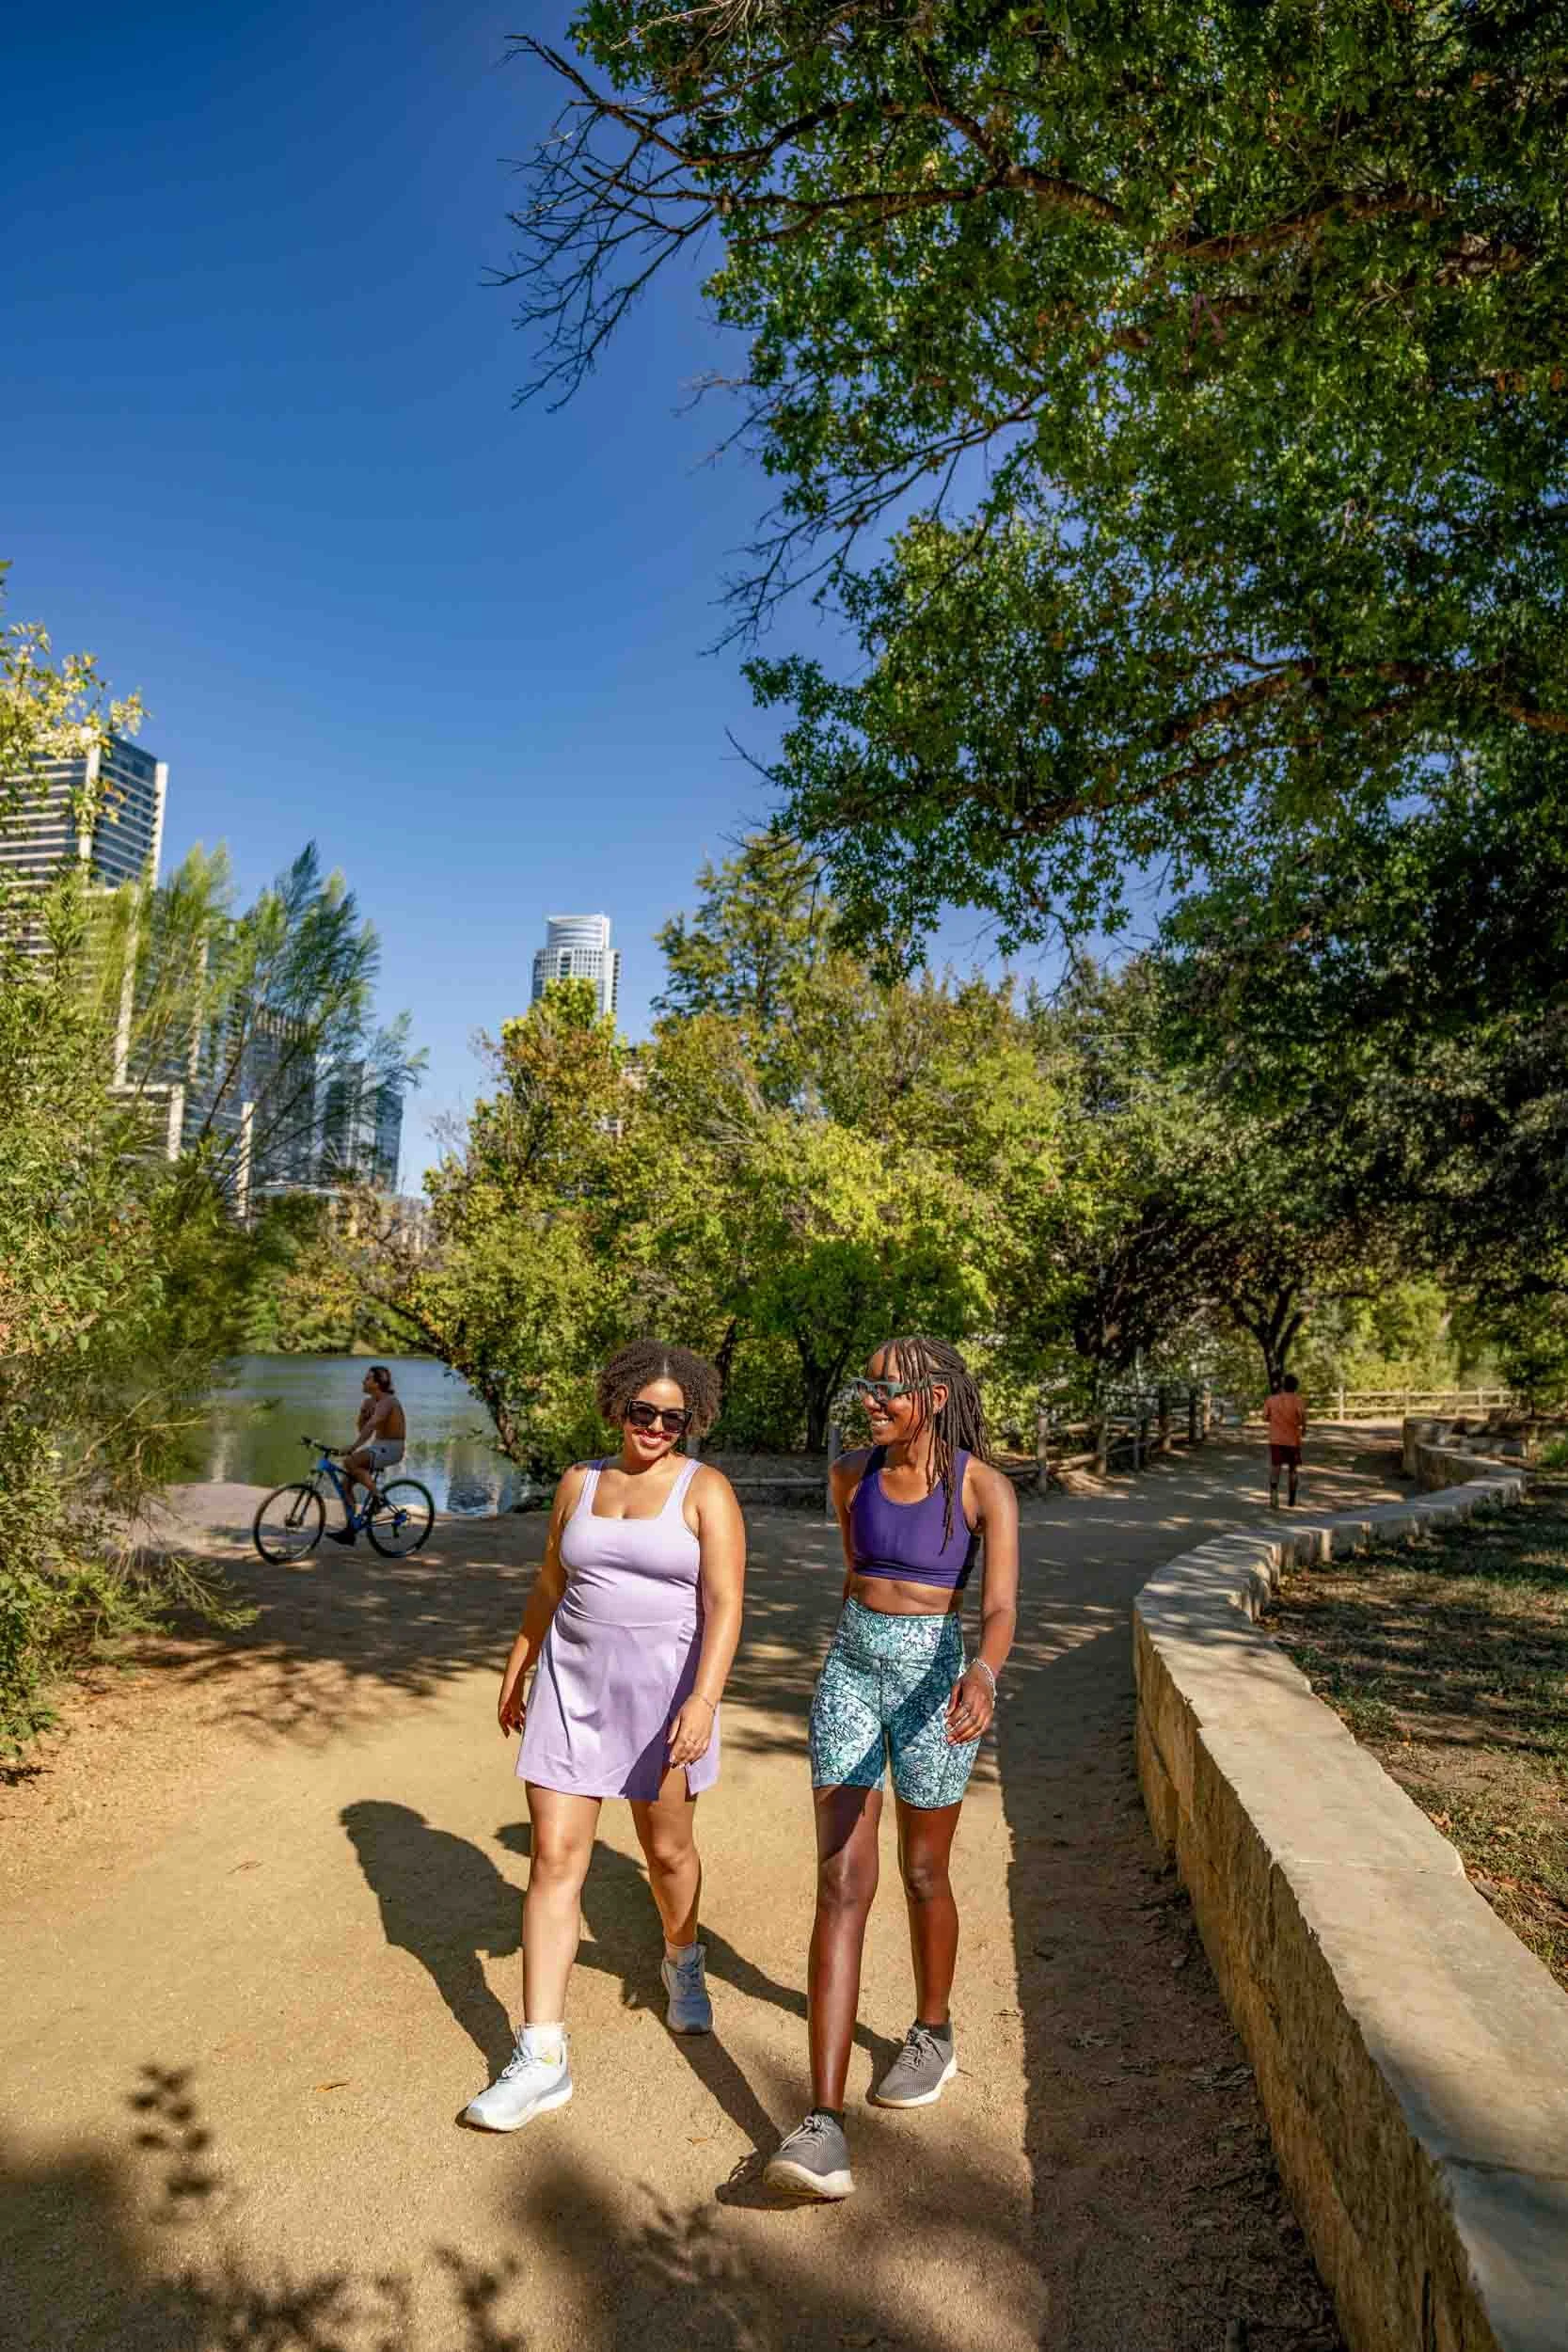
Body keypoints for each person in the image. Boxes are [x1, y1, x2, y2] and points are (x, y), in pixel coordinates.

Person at [463, 1342, 746, 2134]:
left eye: (672, 1417)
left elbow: (725, 1602)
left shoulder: (705, 1491)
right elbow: (552, 1580)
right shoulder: (579, 1483)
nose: (655, 1426)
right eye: (641, 1410)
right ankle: (541, 2056)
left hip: (662, 1699)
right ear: (617, 1404)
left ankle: (682, 1955)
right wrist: (518, 1664)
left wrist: (704, 1700)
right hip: (569, 1686)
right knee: (554, 1858)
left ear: (691, 1421)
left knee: (667, 1854)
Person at [764, 1334, 1020, 2202]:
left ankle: (932, 2032)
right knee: (840, 1882)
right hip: (851, 1669)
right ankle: (822, 2121)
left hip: (936, 1677)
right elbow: (853, 1577)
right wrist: (855, 1655)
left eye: (889, 1390)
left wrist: (981, 1672)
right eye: (865, 1387)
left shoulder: (983, 1487)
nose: (871, 1402)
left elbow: (1000, 1607)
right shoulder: (849, 1474)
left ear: (936, 1396)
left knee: (920, 1870)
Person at [324, 1364, 406, 1546]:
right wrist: (363, 1415)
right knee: (345, 1486)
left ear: (377, 1383)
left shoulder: (388, 1401)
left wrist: (353, 1447)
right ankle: (350, 1531)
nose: (363, 1381)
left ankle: (379, 1498)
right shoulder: (369, 1402)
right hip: (379, 1447)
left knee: (350, 1462)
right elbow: (363, 1428)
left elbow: (370, 1428)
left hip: (392, 1448)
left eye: (367, 1378)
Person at [1262, 1373, 1307, 1507]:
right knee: (1293, 1469)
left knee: (1275, 1467)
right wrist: (1303, 1428)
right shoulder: (1299, 1401)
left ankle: (1274, 1494)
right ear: (1296, 1387)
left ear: (1283, 1385)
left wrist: (1275, 1419)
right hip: (1293, 1439)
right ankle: (1292, 1499)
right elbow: (1302, 1420)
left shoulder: (1271, 1400)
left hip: (1276, 1439)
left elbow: (1264, 1417)